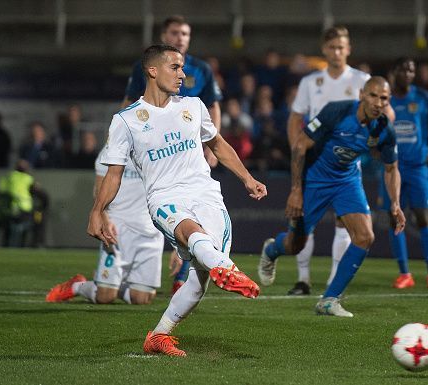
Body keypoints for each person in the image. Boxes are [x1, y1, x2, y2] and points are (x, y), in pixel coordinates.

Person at [87, 44, 267, 356]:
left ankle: (158, 335)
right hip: (164, 198)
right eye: (175, 67)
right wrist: (97, 210)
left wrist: (247, 178)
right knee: (193, 235)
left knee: (198, 282)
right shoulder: (126, 120)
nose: (182, 74)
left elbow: (219, 145)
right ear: (152, 71)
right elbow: (113, 173)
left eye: (182, 67)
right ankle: (227, 267)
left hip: (206, 194)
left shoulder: (194, 106)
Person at [258, 77, 405, 317]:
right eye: (373, 96)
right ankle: (272, 250)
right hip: (314, 179)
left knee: (365, 236)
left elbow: (391, 168)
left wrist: (396, 203)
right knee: (296, 245)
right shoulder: (336, 111)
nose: (378, 103)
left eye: (384, 98)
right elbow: (299, 146)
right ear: (361, 95)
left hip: (347, 181)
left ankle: (329, 299)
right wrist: (296, 190)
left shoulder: (384, 129)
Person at [276, 26, 395, 296]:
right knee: (305, 224)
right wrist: (298, 147)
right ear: (324, 50)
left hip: (347, 163)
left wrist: (382, 136)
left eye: (341, 47)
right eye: (332, 47)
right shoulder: (311, 82)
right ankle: (303, 280)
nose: (337, 52)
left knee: (346, 224)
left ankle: (332, 282)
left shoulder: (364, 80)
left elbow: (387, 113)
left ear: (348, 49)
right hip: (315, 160)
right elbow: (296, 118)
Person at [122, 15, 223, 293]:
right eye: (175, 32)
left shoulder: (201, 69)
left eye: (185, 33)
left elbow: (212, 107)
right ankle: (135, 266)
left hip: (188, 152)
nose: (181, 37)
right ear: (164, 34)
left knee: (195, 209)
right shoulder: (143, 67)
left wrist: (212, 144)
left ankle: (184, 272)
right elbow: (130, 103)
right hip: (156, 152)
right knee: (156, 208)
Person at [46, 148, 166, 305]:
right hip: (118, 228)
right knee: (105, 296)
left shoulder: (159, 147)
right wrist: (104, 217)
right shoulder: (112, 149)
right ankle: (77, 286)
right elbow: (99, 190)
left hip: (150, 230)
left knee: (142, 298)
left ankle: (114, 283)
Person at [382, 58, 428, 291]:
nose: (408, 73)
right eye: (403, 69)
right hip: (392, 167)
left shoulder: (423, 97)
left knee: (423, 217)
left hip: (416, 167)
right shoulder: (384, 99)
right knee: (394, 218)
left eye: (411, 70)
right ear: (393, 72)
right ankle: (405, 273)